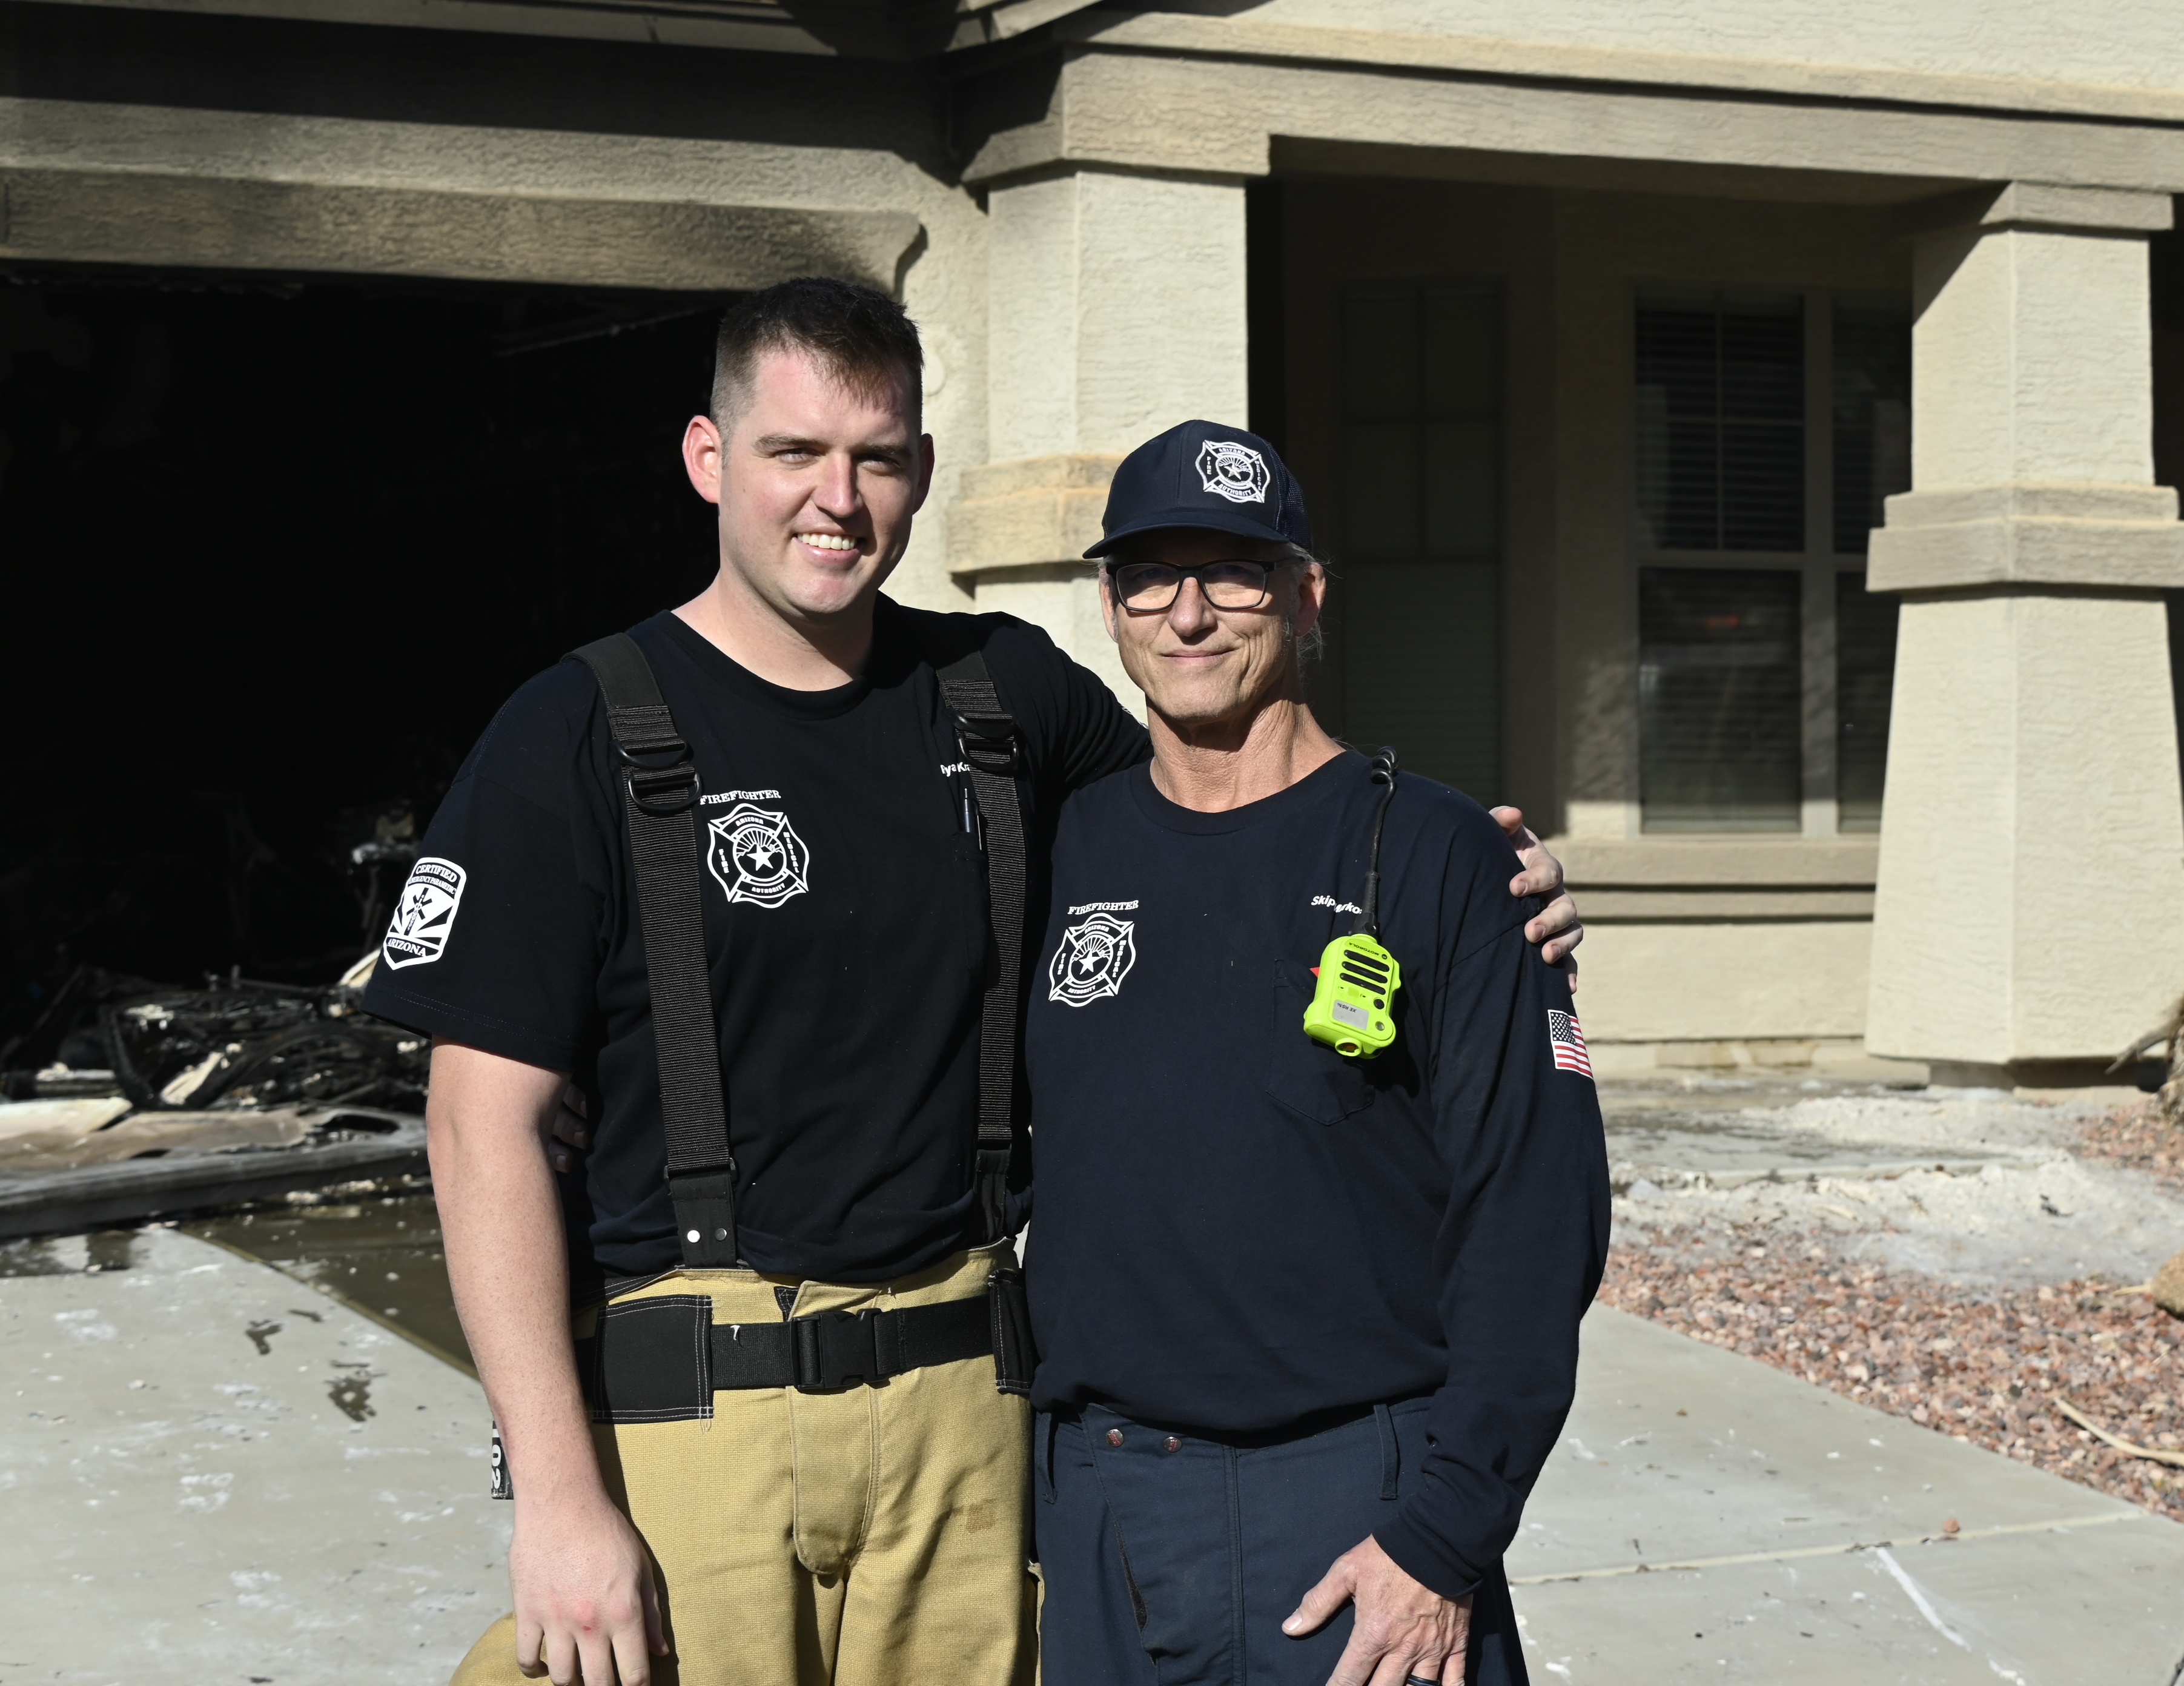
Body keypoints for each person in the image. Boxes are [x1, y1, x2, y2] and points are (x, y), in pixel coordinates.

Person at [365, 279, 1585, 1686]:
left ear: (923, 472)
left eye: (877, 458)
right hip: (700, 1414)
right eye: (794, 452)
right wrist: (557, 1496)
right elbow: (480, 1125)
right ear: (708, 457)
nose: (837, 499)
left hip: (967, 1421)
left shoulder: (1003, 697)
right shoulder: (574, 731)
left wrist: (1468, 880)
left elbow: (1234, 794)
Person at [1022, 422, 1611, 1686]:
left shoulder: (1444, 856)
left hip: (1356, 1512)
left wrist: (1444, 1535)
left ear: (1306, 594)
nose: (1188, 615)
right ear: (1111, 608)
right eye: (1148, 577)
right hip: (1101, 1510)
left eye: (1232, 574)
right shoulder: (1055, 852)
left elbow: (1534, 1214)